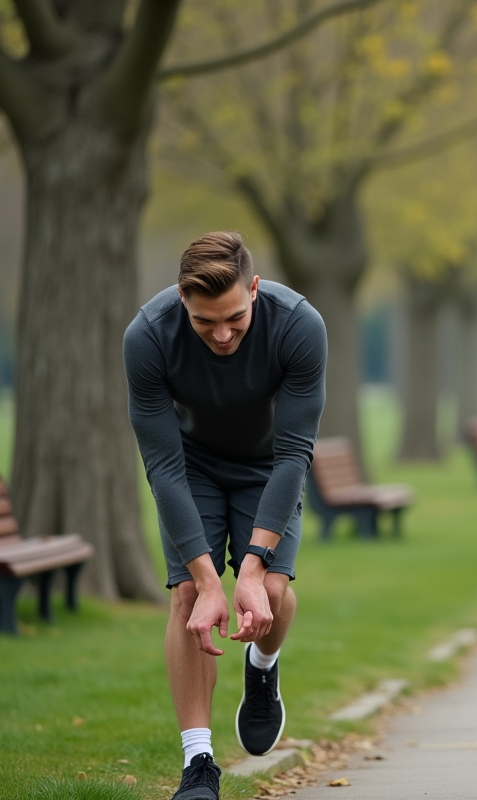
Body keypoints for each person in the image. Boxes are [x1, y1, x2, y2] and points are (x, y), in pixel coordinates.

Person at [124, 232, 327, 800]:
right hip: (191, 467)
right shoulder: (147, 335)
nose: (221, 334)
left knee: (275, 594)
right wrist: (210, 579)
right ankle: (199, 763)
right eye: (203, 321)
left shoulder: (298, 325)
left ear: (255, 290)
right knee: (189, 598)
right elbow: (162, 465)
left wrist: (255, 567)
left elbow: (294, 453)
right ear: (182, 301)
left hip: (270, 464)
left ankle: (262, 667)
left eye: (234, 317)